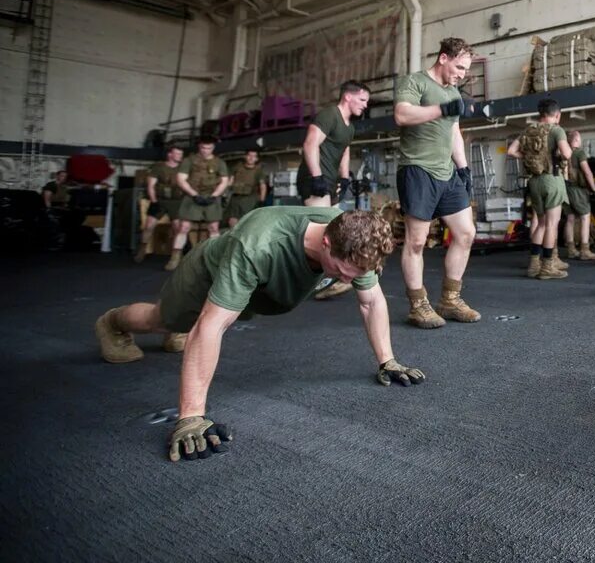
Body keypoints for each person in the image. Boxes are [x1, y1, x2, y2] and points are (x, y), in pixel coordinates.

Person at [94, 208, 423, 462]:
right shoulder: (257, 245)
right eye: (340, 272)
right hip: (208, 276)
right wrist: (191, 417)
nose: (347, 281)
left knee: (197, 327)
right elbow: (211, 325)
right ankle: (112, 323)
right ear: (326, 242)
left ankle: (178, 336)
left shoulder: (353, 238)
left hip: (259, 287)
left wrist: (388, 361)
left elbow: (370, 301)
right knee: (165, 320)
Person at [392, 37, 481, 328]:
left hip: (447, 173)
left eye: (466, 69)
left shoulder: (452, 90)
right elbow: (402, 114)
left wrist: (464, 168)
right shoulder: (414, 82)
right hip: (417, 170)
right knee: (416, 241)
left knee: (466, 233)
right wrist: (441, 109)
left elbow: (454, 130)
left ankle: (450, 300)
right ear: (443, 58)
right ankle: (418, 305)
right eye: (459, 67)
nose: (462, 74)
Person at [507, 99, 575, 280]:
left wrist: (527, 156)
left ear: (540, 114)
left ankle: (534, 264)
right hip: (552, 179)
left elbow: (511, 151)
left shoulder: (528, 130)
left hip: (534, 182)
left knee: (541, 223)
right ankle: (547, 267)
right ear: (557, 115)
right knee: (552, 224)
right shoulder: (556, 130)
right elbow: (567, 154)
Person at [299, 81, 370, 208]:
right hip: (315, 178)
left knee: (333, 225)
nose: (365, 105)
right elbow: (310, 144)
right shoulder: (330, 115)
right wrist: (316, 177)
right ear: (347, 97)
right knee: (322, 224)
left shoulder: (350, 127)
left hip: (332, 180)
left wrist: (344, 179)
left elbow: (345, 151)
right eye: (362, 100)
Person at [168, 137, 230, 272]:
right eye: (203, 148)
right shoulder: (189, 160)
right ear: (199, 147)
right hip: (192, 196)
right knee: (184, 227)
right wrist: (194, 194)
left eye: (209, 148)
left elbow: (224, 181)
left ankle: (215, 259)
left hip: (212, 196)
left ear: (213, 147)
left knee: (213, 228)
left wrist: (215, 195)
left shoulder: (219, 162)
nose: (206, 151)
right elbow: (181, 179)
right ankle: (175, 258)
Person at [135, 145, 184, 263]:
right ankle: (142, 249)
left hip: (177, 201)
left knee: (178, 228)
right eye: (177, 154)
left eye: (181, 154)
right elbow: (151, 186)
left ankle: (176, 255)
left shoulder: (183, 168)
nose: (179, 156)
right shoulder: (159, 167)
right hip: (160, 200)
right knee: (148, 226)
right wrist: (154, 201)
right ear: (170, 155)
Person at [563, 130, 595, 261]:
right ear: (575, 140)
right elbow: (587, 172)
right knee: (585, 217)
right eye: (579, 138)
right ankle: (585, 250)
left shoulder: (563, 153)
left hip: (565, 189)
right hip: (578, 190)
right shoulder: (579, 153)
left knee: (570, 218)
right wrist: (594, 190)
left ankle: (571, 249)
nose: (580, 140)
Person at [224, 150, 269, 229]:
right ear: (245, 156)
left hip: (249, 198)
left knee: (247, 221)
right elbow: (230, 181)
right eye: (249, 155)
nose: (251, 158)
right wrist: (224, 193)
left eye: (254, 156)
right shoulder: (237, 167)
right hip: (235, 197)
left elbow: (263, 186)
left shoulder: (259, 171)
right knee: (232, 221)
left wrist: (262, 200)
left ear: (256, 159)